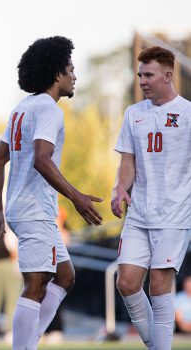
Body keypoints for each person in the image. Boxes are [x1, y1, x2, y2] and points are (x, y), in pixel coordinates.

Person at [0, 36, 102, 350]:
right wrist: (77, 197)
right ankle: (23, 346)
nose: (75, 75)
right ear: (57, 74)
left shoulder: (22, 108)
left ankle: (29, 339)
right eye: (71, 69)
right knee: (35, 285)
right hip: (35, 210)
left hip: (24, 209)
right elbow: (41, 158)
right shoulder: (49, 109)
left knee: (65, 276)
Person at [111, 45, 191, 350]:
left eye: (149, 75)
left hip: (174, 216)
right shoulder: (134, 114)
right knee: (127, 283)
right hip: (139, 215)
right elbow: (128, 162)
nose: (142, 80)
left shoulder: (188, 113)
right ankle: (157, 346)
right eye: (139, 74)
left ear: (168, 75)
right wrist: (120, 189)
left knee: (159, 285)